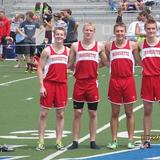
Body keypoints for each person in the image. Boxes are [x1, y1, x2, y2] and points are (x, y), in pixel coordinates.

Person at [67, 22, 107, 150]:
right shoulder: (75, 46)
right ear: (82, 31)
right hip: (79, 83)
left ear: (93, 32)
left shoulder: (99, 46)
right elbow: (70, 63)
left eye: (90, 30)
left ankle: (92, 141)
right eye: (86, 30)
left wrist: (95, 67)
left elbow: (105, 62)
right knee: (77, 112)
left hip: (92, 84)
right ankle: (75, 141)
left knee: (93, 113)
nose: (88, 32)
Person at [105, 22, 140, 149]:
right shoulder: (109, 46)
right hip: (114, 81)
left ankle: (130, 140)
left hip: (128, 81)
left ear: (125, 32)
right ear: (114, 32)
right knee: (115, 112)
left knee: (129, 112)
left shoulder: (133, 45)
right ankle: (114, 140)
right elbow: (105, 62)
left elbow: (139, 61)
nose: (119, 33)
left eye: (122, 31)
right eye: (117, 31)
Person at [36, 27, 70, 151]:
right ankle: (40, 140)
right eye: (57, 34)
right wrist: (41, 86)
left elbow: (74, 65)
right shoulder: (47, 50)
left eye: (62, 34)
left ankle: (59, 140)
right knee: (44, 114)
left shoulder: (68, 51)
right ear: (54, 35)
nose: (59, 36)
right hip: (49, 84)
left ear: (65, 36)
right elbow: (40, 68)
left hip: (62, 85)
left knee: (60, 114)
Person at [138, 18, 160, 149]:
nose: (151, 31)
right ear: (145, 30)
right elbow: (135, 55)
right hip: (147, 80)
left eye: (153, 29)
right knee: (147, 111)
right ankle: (147, 140)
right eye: (148, 29)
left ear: (156, 30)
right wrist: (142, 65)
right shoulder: (140, 44)